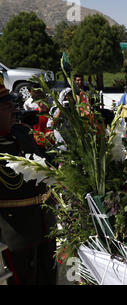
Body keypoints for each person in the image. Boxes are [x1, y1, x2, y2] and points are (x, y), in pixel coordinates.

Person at [0, 76, 56, 284]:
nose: (15, 110)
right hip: (16, 235)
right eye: (7, 106)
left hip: (44, 226)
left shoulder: (21, 134)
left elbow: (48, 167)